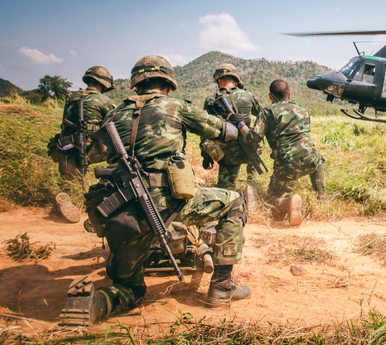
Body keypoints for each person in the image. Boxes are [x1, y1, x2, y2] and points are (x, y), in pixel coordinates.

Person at [60, 55, 251, 327]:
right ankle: (222, 286)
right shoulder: (177, 107)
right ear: (169, 85)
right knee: (235, 201)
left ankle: (96, 303)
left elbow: (93, 155)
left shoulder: (113, 114)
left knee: (129, 287)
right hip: (167, 204)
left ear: (135, 84)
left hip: (123, 213)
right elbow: (226, 133)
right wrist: (234, 122)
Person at [230, 79, 325, 226]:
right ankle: (321, 197)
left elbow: (253, 138)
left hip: (288, 162)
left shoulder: (267, 112)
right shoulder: (303, 110)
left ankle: (288, 202)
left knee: (271, 199)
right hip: (311, 158)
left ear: (270, 96)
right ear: (289, 95)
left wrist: (240, 124)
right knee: (317, 159)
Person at [48, 66, 117, 223]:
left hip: (67, 148)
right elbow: (113, 126)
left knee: (70, 175)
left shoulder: (71, 97)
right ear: (103, 84)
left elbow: (64, 124)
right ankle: (109, 190)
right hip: (92, 149)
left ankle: (67, 195)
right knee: (119, 156)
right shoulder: (105, 101)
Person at [201, 63, 262, 190]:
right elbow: (261, 116)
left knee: (225, 188)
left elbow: (204, 130)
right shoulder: (248, 95)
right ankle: (252, 186)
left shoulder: (211, 100)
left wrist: (206, 156)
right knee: (255, 171)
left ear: (219, 80)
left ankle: (230, 198)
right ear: (235, 79)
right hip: (250, 150)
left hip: (227, 152)